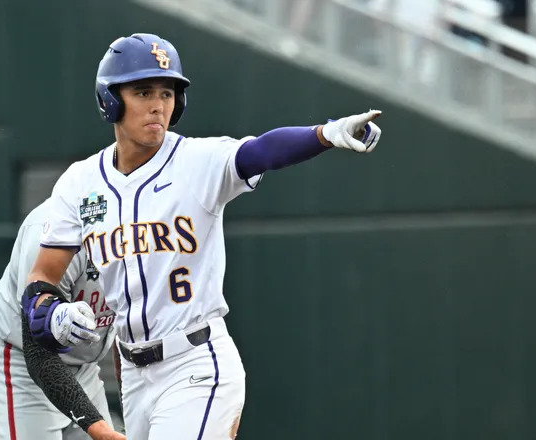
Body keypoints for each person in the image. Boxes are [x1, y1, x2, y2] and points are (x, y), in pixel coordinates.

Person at [23, 33, 383, 440]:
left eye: (168, 92)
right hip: (135, 379)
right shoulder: (80, 182)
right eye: (143, 91)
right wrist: (51, 314)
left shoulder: (198, 161)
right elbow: (41, 280)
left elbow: (261, 151)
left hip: (195, 363)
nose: (159, 104)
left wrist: (326, 134)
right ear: (111, 99)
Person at [0, 198, 125, 440]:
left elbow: (130, 330)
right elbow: (39, 357)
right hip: (20, 364)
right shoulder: (50, 229)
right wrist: (100, 429)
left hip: (83, 368)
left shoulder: (143, 223)